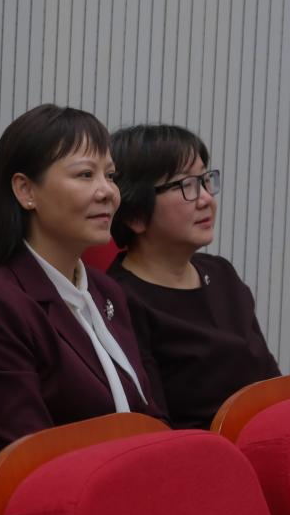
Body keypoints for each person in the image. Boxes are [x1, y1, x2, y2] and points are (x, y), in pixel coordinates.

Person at [0, 104, 167, 450]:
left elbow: (150, 415)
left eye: (110, 175)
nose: (108, 192)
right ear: (26, 191)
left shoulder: (106, 291)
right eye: (85, 175)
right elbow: (29, 455)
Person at [106, 124, 280, 429]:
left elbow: (272, 385)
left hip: (266, 436)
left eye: (205, 180)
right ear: (135, 214)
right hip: (198, 451)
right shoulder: (120, 300)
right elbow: (154, 424)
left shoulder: (221, 274)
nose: (206, 199)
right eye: (186, 185)